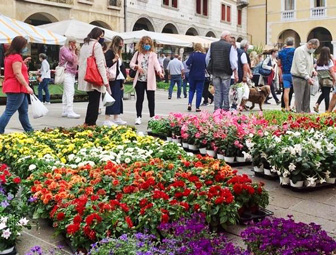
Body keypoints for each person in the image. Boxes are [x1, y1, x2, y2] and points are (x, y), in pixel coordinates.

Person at [0, 36, 34, 134]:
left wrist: (22, 63)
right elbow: (17, 73)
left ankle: (29, 131)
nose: (25, 47)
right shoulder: (16, 57)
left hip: (17, 87)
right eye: (24, 45)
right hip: (16, 88)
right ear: (20, 46)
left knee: (23, 111)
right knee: (9, 111)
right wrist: (27, 87)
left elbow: (14, 69)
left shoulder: (10, 56)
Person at [78, 27, 109, 126]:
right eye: (101, 36)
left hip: (86, 75)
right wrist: (105, 79)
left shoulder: (85, 45)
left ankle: (87, 122)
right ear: (98, 36)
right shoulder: (97, 45)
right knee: (95, 101)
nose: (102, 38)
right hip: (95, 76)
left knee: (92, 100)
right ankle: (91, 123)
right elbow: (100, 63)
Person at [130, 36, 163, 125]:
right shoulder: (137, 53)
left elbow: (157, 64)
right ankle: (138, 117)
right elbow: (131, 63)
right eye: (145, 44)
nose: (147, 45)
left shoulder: (153, 54)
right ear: (142, 44)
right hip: (140, 80)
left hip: (150, 80)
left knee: (151, 99)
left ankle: (152, 116)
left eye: (148, 44)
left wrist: (159, 72)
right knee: (139, 99)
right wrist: (137, 67)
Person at [206, 30, 238, 111]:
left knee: (217, 91)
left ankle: (217, 109)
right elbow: (233, 61)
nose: (230, 39)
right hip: (226, 71)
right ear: (225, 36)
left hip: (215, 71)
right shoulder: (229, 46)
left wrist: (209, 68)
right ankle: (225, 108)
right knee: (225, 91)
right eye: (229, 37)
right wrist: (235, 72)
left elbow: (207, 58)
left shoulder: (213, 45)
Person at [291, 38, 319, 113]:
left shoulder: (310, 52)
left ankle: (306, 114)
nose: (314, 50)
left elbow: (309, 64)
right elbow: (301, 66)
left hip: (307, 77)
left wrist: (313, 71)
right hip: (299, 77)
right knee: (299, 99)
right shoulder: (300, 50)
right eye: (314, 48)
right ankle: (299, 115)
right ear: (310, 44)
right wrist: (307, 77)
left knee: (306, 99)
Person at [104, 36, 127, 126]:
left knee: (118, 98)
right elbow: (107, 64)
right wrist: (115, 59)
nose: (121, 45)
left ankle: (116, 117)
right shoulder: (110, 52)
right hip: (112, 79)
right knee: (111, 98)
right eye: (120, 43)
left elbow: (120, 68)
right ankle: (107, 118)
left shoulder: (118, 53)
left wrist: (122, 81)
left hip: (118, 79)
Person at [59, 36, 80, 118]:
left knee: (66, 92)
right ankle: (70, 111)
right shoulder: (64, 49)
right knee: (70, 91)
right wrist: (74, 51)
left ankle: (65, 110)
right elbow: (71, 59)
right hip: (67, 71)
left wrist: (75, 51)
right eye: (73, 42)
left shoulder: (68, 49)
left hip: (71, 72)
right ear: (69, 42)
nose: (74, 44)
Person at [313, 47, 336, 112]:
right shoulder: (329, 61)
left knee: (324, 93)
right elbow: (331, 71)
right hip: (327, 80)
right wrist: (335, 79)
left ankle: (317, 104)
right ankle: (327, 109)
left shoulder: (318, 61)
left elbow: (314, 68)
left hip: (320, 80)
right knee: (326, 95)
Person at [187, 43, 206, 112]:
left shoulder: (193, 55)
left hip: (192, 75)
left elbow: (187, 63)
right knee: (199, 91)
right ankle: (197, 107)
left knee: (191, 90)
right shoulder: (204, 56)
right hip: (201, 75)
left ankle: (189, 103)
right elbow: (207, 65)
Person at [278, 37, 295, 111]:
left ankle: (286, 107)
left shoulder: (281, 52)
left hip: (285, 73)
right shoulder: (295, 51)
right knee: (296, 91)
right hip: (294, 73)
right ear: (293, 43)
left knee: (286, 91)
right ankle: (294, 106)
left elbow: (279, 64)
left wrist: (280, 74)